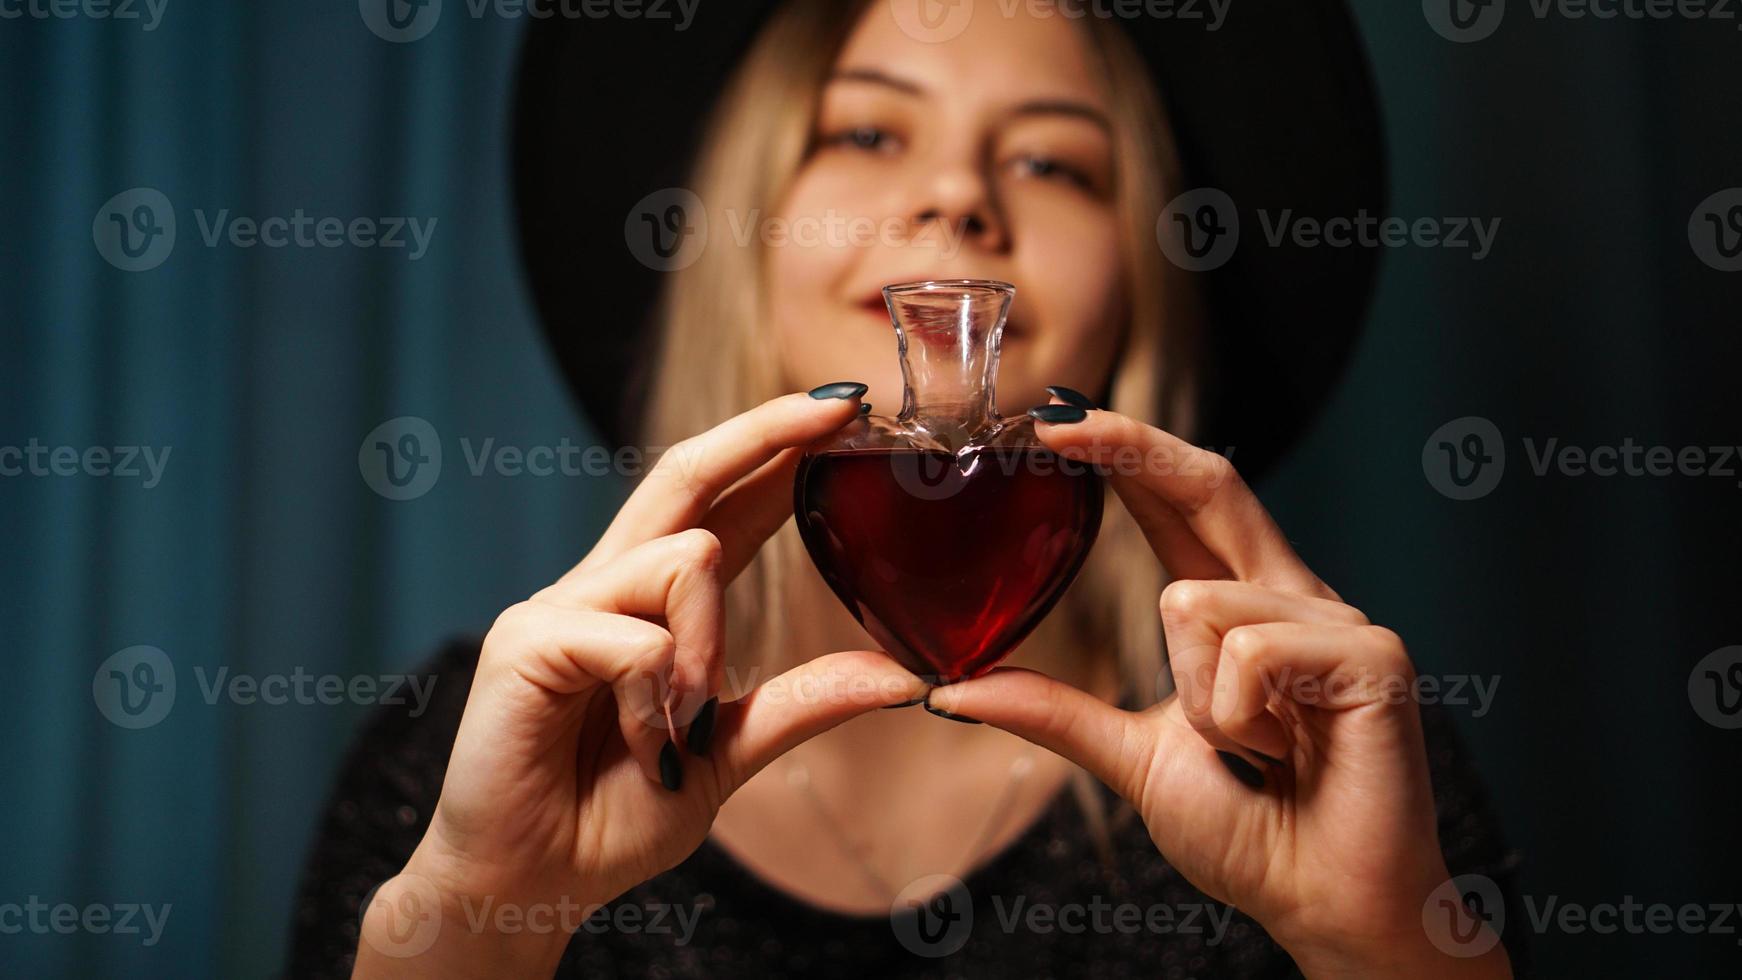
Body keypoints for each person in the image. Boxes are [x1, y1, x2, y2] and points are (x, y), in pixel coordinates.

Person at [291, 1, 1524, 975]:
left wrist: (1378, 948)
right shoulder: (464, 756)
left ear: (1139, 299)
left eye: (1054, 162)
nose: (957, 199)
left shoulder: (1336, 761)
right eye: (869, 132)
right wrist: (482, 927)